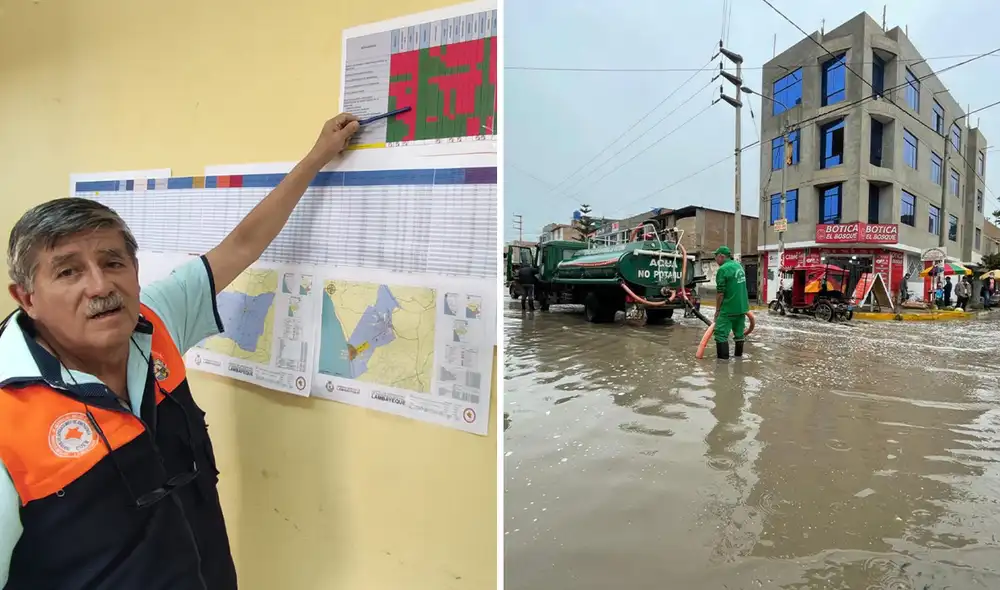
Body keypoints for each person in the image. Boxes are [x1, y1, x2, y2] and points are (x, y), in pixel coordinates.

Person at [0, 113, 360, 589]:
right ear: (25, 297)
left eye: (113, 262)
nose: (100, 285)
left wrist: (317, 157)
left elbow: (242, 245)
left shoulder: (152, 317)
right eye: (68, 272)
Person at [712, 246, 749, 359]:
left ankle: (722, 365)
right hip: (742, 308)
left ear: (721, 256)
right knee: (739, 334)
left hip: (728, 308)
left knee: (720, 334)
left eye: (716, 257)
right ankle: (739, 360)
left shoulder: (723, 269)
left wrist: (717, 310)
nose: (715, 260)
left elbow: (720, 293)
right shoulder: (738, 266)